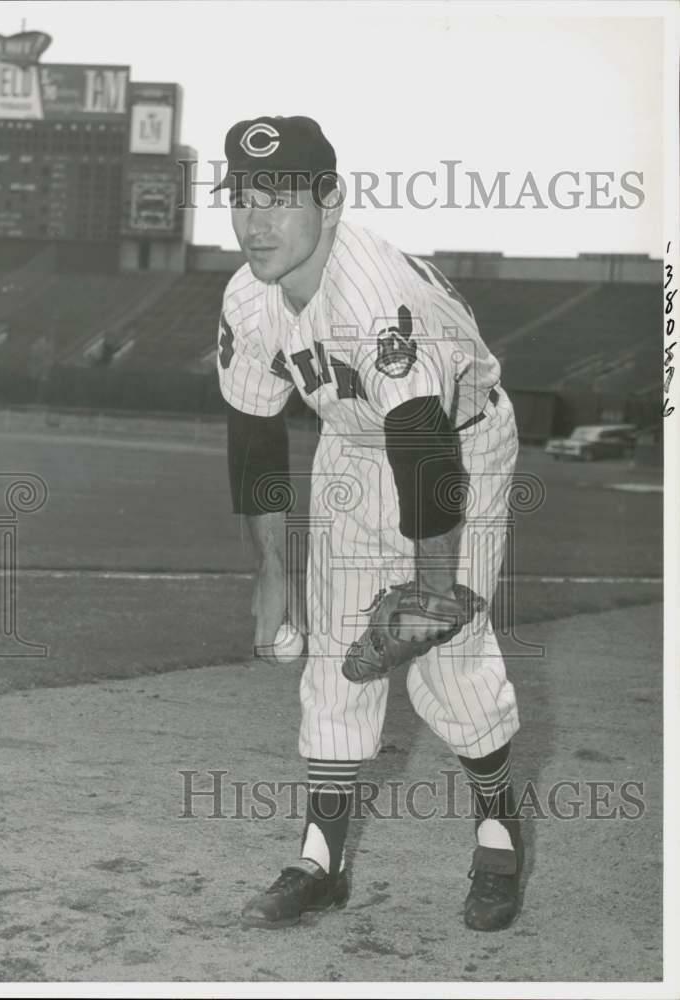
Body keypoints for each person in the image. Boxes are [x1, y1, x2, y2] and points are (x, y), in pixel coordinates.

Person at [214, 116, 522, 932]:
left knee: (445, 655)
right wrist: (271, 578)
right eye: (242, 197)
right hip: (352, 448)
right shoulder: (249, 298)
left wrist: (429, 592)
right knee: (332, 657)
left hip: (459, 442)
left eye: (279, 199)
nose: (255, 221)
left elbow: (423, 449)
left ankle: (498, 827)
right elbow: (254, 435)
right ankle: (322, 858)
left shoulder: (374, 297)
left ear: (331, 200)